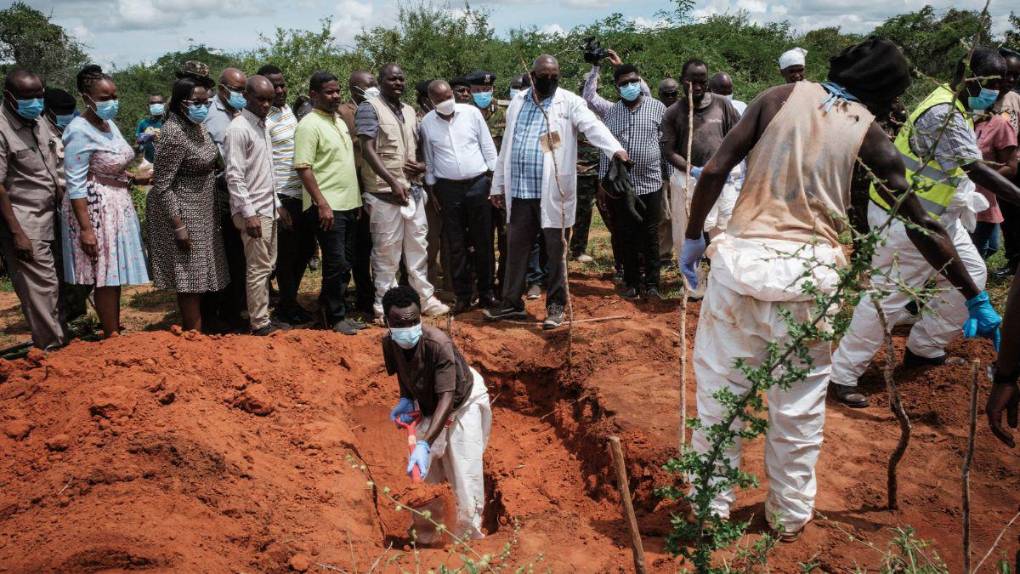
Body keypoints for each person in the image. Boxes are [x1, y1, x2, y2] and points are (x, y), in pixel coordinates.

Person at [678, 38, 1000, 541]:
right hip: (811, 278)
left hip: (741, 267)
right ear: (882, 91)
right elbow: (922, 223)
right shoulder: (869, 132)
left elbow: (716, 169)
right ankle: (787, 517)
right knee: (799, 407)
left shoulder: (776, 98)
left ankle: (707, 508)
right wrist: (972, 292)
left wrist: (695, 236)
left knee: (720, 397)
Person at [830, 47, 1020, 408]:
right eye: (992, 82)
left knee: (974, 275)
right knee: (888, 297)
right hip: (904, 218)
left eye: (1002, 82)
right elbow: (975, 169)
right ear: (968, 74)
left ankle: (924, 348)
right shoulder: (943, 112)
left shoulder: (958, 107)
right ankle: (843, 374)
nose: (997, 89)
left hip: (938, 217)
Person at [484, 55, 628, 329]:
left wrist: (615, 149)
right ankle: (512, 303)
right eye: (544, 76)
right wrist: (498, 185)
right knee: (516, 250)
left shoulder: (570, 102)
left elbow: (593, 126)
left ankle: (556, 305)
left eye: (555, 76)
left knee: (555, 251)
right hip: (521, 191)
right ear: (533, 76)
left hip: (553, 191)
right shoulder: (517, 102)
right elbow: (506, 150)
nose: (550, 80)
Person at [382, 285, 492, 541]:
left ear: (420, 317)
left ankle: (467, 537)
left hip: (462, 401)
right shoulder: (390, 342)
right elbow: (404, 372)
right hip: (429, 400)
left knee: (464, 471)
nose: (408, 328)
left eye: (414, 321)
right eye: (400, 322)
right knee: (427, 476)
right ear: (388, 321)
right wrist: (406, 399)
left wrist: (424, 443)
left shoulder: (438, 344)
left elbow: (447, 399)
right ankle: (427, 535)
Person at [62, 65, 150, 338]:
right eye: (104, 98)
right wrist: (86, 229)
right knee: (103, 273)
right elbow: (75, 182)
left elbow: (108, 165)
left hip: (116, 204)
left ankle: (113, 327)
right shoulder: (78, 130)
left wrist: (134, 179)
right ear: (86, 98)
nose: (111, 102)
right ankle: (111, 333)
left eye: (114, 95)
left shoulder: (109, 124)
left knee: (113, 272)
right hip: (94, 209)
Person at [357, 63, 450, 320]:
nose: (397, 83)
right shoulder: (369, 108)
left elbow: (418, 148)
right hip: (384, 194)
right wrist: (391, 180)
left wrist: (421, 165)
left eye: (401, 79)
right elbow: (367, 148)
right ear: (380, 81)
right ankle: (383, 306)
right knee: (387, 253)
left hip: (413, 192)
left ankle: (424, 298)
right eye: (392, 79)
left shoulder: (409, 111)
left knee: (418, 248)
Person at [147, 72, 229, 333]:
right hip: (183, 209)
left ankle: (206, 327)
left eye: (206, 101)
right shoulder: (173, 133)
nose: (203, 106)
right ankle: (193, 333)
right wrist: (178, 225)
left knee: (204, 270)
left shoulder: (198, 127)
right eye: (197, 102)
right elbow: (162, 185)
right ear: (182, 102)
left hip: (203, 206)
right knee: (190, 275)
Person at [294, 71, 365, 336]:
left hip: (348, 203)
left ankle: (330, 310)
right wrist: (321, 203)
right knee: (335, 263)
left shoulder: (337, 120)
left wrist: (356, 199)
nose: (335, 96)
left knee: (346, 261)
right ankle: (335, 317)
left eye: (337, 91)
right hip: (327, 206)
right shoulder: (308, 125)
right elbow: (304, 168)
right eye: (329, 92)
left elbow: (344, 165)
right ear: (314, 95)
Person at [0, 69, 67, 349]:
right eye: (29, 97)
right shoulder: (2, 129)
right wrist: (17, 234)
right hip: (24, 220)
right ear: (9, 97)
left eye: (40, 96)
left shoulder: (38, 120)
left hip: (51, 215)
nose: (37, 102)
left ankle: (59, 339)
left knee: (56, 285)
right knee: (41, 287)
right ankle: (51, 347)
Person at [419, 80, 498, 314]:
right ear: (430, 102)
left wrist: (494, 182)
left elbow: (488, 147)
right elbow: (429, 160)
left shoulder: (472, 113)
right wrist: (433, 189)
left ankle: (486, 293)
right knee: (456, 244)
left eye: (448, 97)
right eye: (440, 99)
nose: (447, 102)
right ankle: (462, 296)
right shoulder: (427, 123)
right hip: (448, 189)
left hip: (478, 184)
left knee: (483, 240)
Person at [225, 76, 290, 336]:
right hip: (253, 211)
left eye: (269, 100)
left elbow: (266, 171)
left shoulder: (262, 125)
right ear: (247, 97)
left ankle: (261, 317)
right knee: (258, 267)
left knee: (266, 265)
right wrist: (248, 213)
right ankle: (260, 323)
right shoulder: (239, 128)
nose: (265, 104)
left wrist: (277, 205)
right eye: (260, 99)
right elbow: (234, 175)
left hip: (267, 207)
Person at [597, 64, 666, 300]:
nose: (629, 86)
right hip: (621, 187)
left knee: (650, 234)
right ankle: (631, 282)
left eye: (633, 81)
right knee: (625, 233)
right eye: (624, 83)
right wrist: (602, 182)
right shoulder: (611, 113)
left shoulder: (657, 107)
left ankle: (653, 283)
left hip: (651, 183)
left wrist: (667, 175)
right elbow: (605, 148)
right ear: (616, 87)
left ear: (640, 81)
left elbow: (665, 143)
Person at [661, 59, 741, 257]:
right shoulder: (673, 113)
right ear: (682, 81)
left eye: (701, 82)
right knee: (687, 232)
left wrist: (725, 166)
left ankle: (721, 280)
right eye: (691, 82)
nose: (697, 87)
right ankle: (691, 284)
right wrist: (693, 170)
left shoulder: (722, 105)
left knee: (723, 233)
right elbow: (669, 152)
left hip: (722, 181)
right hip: (688, 181)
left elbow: (739, 137)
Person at [259, 64, 312, 325]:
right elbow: (263, 165)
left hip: (302, 194)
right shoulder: (263, 119)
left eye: (282, 85)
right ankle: (285, 308)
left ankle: (290, 301)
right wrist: (276, 204)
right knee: (286, 257)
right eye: (273, 86)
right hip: (281, 196)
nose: (280, 90)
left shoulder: (289, 111)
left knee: (304, 251)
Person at [203, 66, 248, 332]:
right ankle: (213, 313)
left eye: (244, 90)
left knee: (239, 255)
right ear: (222, 89)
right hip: (218, 191)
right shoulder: (209, 114)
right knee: (220, 253)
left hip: (241, 191)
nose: (241, 95)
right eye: (237, 90)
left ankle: (234, 310)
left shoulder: (243, 112)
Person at [43, 88, 93, 325]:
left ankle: (76, 309)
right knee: (60, 264)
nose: (66, 116)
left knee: (84, 260)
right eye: (61, 112)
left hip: (80, 201)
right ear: (48, 112)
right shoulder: (41, 132)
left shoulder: (78, 126)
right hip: (53, 203)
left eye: (69, 112)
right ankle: (65, 314)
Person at [339, 70, 378, 316]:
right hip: (354, 186)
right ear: (355, 88)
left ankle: (373, 291)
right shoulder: (343, 113)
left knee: (376, 243)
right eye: (370, 84)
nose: (374, 87)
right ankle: (363, 295)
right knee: (359, 246)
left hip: (376, 185)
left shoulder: (377, 107)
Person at [970, 110, 1017, 258]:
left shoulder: (999, 124)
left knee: (990, 246)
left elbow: (1011, 167)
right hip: (969, 195)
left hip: (985, 193)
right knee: (983, 244)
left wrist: (984, 178)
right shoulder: (966, 122)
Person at [993, 48, 1020, 278]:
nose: (1010, 80)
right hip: (995, 171)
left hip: (1016, 166)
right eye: (1007, 74)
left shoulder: (1015, 99)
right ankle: (1013, 261)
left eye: (1015, 76)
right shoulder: (982, 99)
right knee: (1006, 219)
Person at [135, 94, 164, 163]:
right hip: (149, 164)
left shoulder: (170, 121)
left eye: (159, 102)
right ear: (148, 106)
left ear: (164, 104)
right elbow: (137, 146)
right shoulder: (143, 123)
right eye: (153, 103)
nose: (156, 105)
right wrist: (146, 136)